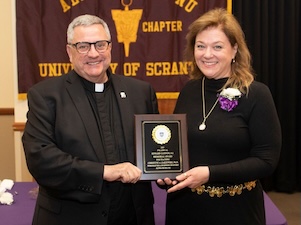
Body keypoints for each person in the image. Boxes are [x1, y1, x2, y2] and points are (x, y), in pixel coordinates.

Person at [22, 14, 158, 225]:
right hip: (71, 218)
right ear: (69, 51)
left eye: (100, 45)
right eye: (83, 46)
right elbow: (41, 159)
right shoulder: (46, 96)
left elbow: (155, 149)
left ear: (111, 47)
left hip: (133, 217)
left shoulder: (141, 92)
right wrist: (104, 171)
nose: (93, 53)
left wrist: (166, 170)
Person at [157, 8, 281, 225]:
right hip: (184, 209)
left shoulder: (257, 94)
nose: (207, 54)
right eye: (200, 46)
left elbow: (266, 161)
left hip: (236, 211)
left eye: (217, 47)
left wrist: (209, 173)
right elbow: (177, 149)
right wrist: (165, 172)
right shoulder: (189, 90)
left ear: (234, 50)